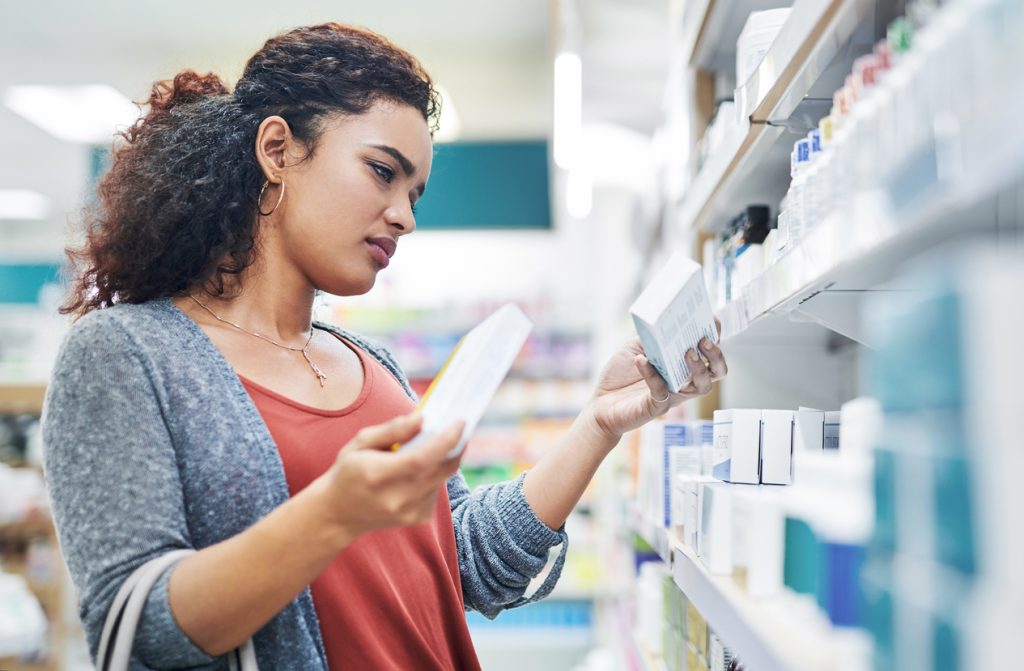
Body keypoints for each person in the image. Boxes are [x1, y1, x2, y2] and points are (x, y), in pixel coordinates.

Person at [42, 23, 727, 670]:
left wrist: (596, 423)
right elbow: (135, 623)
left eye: (416, 191)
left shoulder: (375, 366)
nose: (405, 215)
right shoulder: (126, 355)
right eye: (381, 171)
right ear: (277, 151)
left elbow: (464, 561)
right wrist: (331, 513)